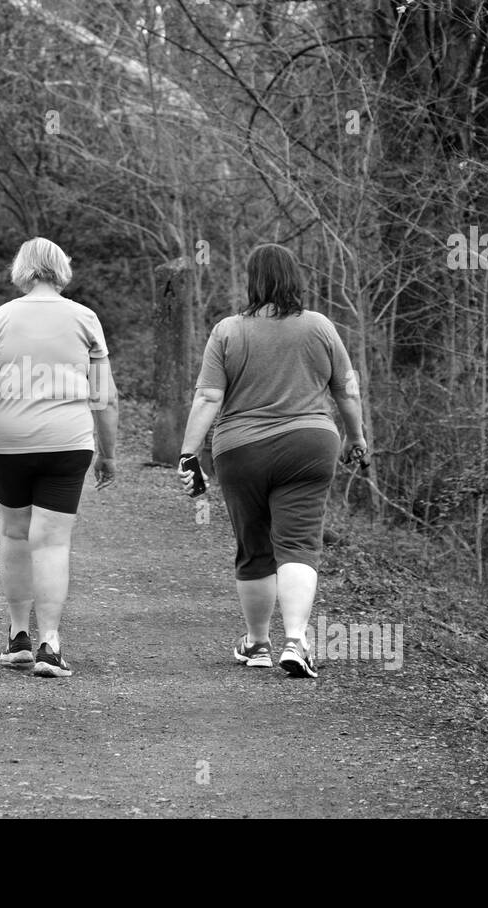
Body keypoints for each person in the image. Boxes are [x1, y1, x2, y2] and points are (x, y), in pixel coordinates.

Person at [178, 243, 367, 679]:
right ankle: (296, 641)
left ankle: (258, 644)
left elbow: (208, 396)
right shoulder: (320, 327)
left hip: (240, 449)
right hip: (310, 445)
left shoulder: (227, 331)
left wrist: (189, 453)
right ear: (294, 279)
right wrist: (356, 437)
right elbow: (348, 390)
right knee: (299, 543)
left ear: (253, 282)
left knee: (255, 548)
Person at [0, 237, 118, 678]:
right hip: (67, 442)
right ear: (61, 269)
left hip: (8, 443)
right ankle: (50, 644)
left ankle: (18, 638)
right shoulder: (85, 318)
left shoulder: (0, 317)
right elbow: (103, 396)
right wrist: (108, 454)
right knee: (51, 542)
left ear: (22, 270)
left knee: (15, 536)